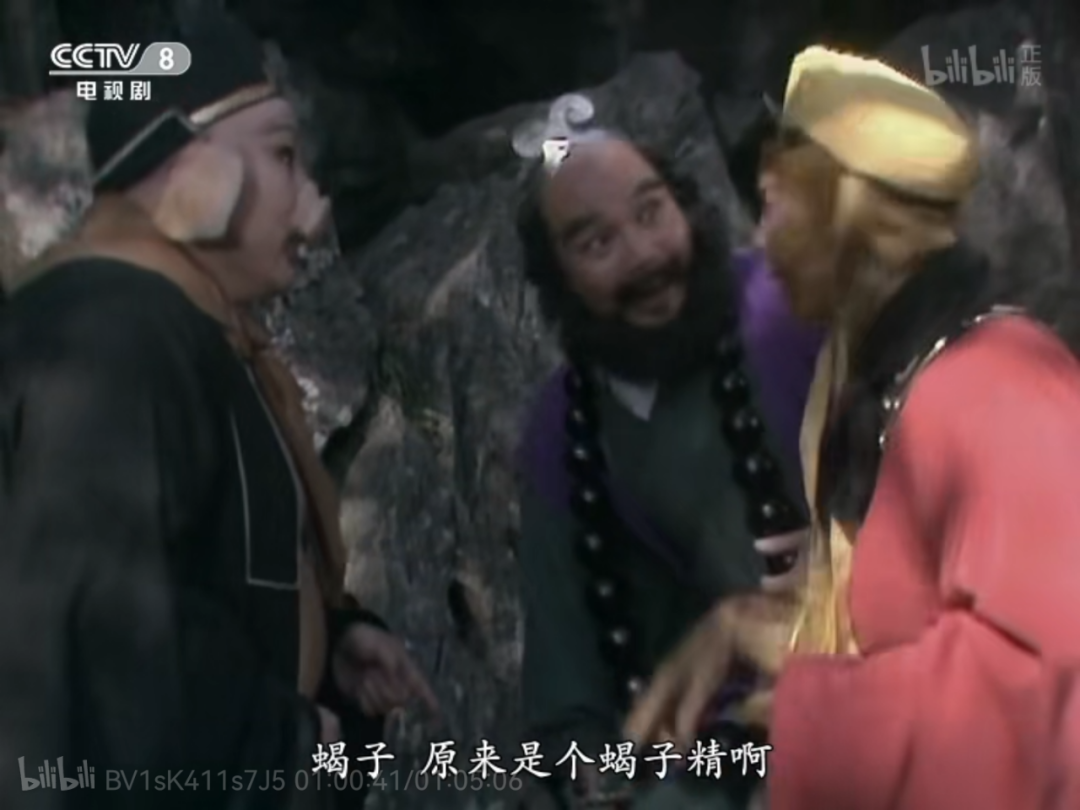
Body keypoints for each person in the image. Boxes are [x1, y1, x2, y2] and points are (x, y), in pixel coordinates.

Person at [0, 12, 437, 808]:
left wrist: (329, 643)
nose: (313, 206)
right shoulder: (113, 333)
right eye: (282, 155)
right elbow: (110, 637)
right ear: (191, 171)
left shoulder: (173, 327)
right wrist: (282, 740)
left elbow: (190, 573)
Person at [625, 45, 1080, 809]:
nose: (761, 241)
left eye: (774, 204)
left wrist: (814, 717)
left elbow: (1045, 695)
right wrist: (746, 626)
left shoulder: (1001, 389)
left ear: (842, 214)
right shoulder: (882, 378)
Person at [512, 99, 823, 809]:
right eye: (597, 243)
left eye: (652, 212)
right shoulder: (562, 437)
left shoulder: (795, 306)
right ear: (557, 283)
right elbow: (570, 711)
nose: (646, 255)